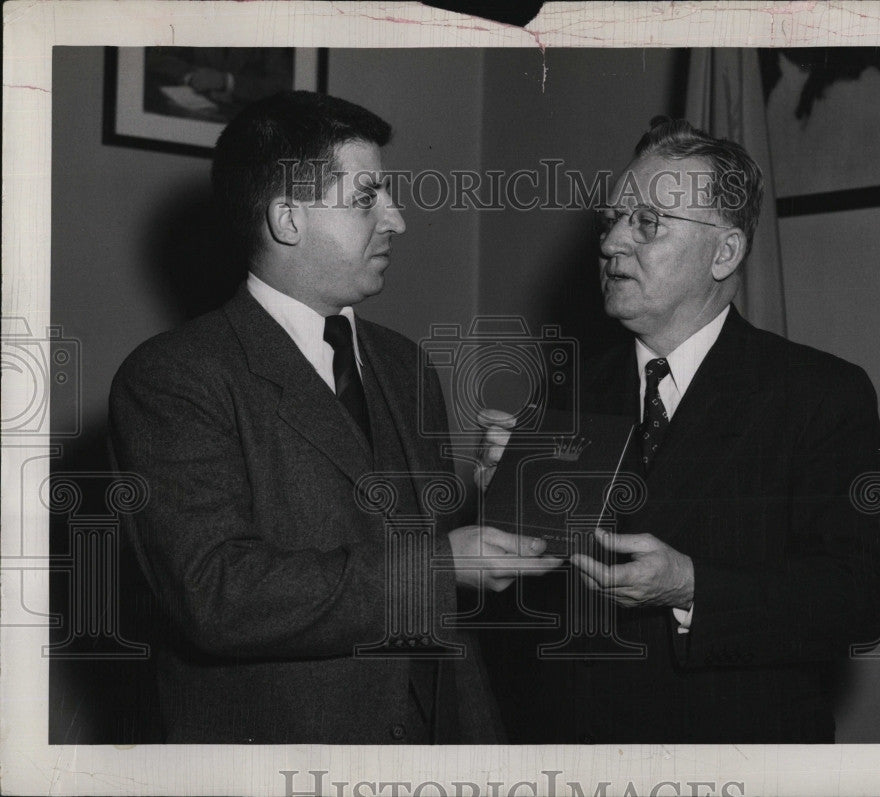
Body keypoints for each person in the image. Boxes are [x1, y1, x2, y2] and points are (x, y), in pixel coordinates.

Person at [109, 91, 558, 744]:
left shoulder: (404, 364)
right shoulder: (176, 377)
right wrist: (442, 563)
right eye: (366, 197)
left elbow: (416, 559)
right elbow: (218, 596)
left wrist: (498, 498)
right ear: (287, 218)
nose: (397, 219)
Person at [477, 117, 880, 743]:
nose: (613, 242)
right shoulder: (566, 392)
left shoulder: (816, 395)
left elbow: (864, 600)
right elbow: (531, 614)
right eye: (614, 219)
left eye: (647, 222)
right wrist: (510, 511)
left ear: (724, 253)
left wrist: (692, 587)